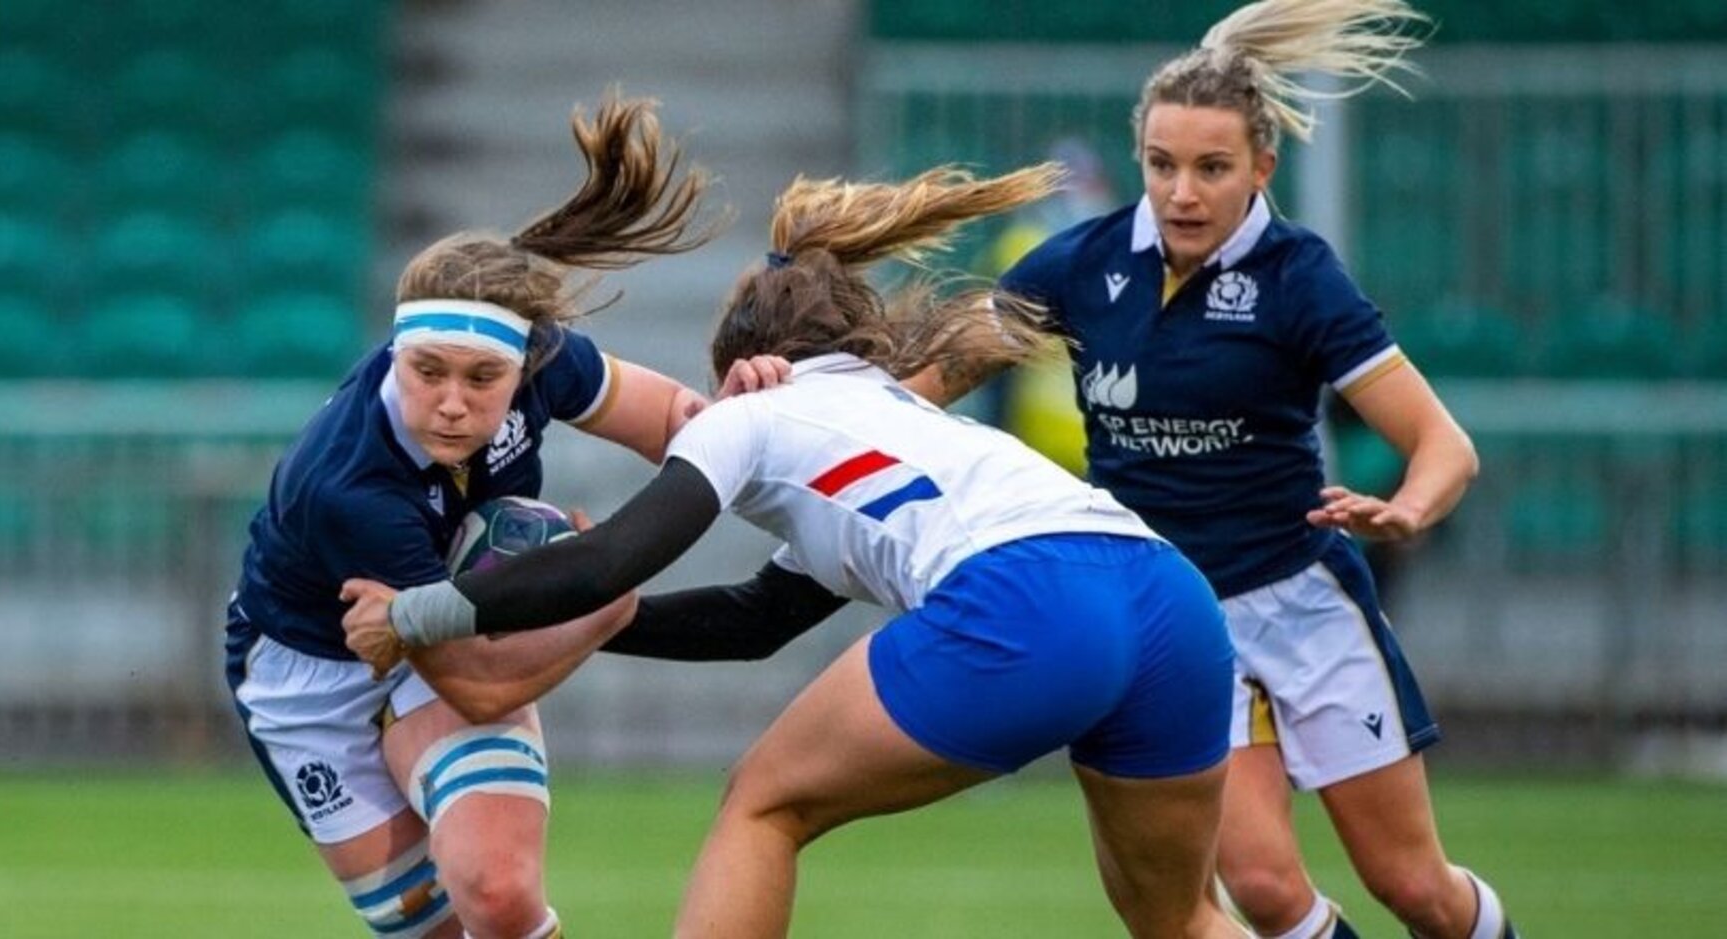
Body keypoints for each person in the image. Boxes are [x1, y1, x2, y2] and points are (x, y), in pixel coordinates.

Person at [341, 163, 1245, 939]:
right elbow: (753, 618)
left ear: (740, 358)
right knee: (1181, 920)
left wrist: (421, 611)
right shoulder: (896, 415)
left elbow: (611, 557)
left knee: (763, 806)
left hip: (1030, 597)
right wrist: (588, 624)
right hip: (1168, 595)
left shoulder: (753, 411)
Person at [989, 2, 1513, 937]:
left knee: (1415, 886)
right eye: (1162, 165)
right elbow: (927, 375)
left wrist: (1408, 507)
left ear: (1262, 167)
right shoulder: (1078, 265)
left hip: (1303, 600)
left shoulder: (1299, 276)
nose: (1182, 192)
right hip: (1179, 622)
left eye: (1211, 167)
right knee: (1264, 890)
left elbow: (1445, 446)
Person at [224, 91, 784, 939]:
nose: (449, 403)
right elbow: (480, 686)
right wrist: (607, 598)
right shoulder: (350, 488)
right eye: (427, 371)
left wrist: (749, 413)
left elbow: (675, 423)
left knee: (497, 892)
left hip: (446, 626)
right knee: (430, 927)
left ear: (522, 364)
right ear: (398, 351)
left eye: (479, 380)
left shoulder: (547, 356)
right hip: (311, 673)